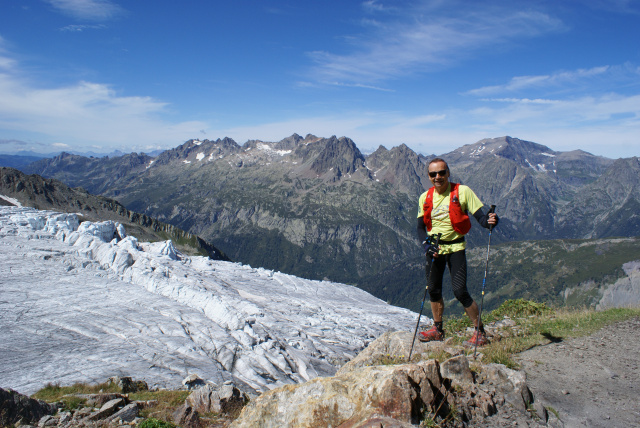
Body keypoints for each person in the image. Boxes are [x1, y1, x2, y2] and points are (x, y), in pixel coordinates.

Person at [416, 157, 498, 346]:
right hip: (435, 248)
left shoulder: (462, 192)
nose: (438, 177)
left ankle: (480, 332)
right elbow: (420, 228)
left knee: (460, 291)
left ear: (448, 173)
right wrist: (427, 246)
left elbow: (482, 218)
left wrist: (491, 221)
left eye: (441, 173)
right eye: (433, 174)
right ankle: (437, 329)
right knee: (434, 290)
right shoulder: (425, 197)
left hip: (456, 248)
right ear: (429, 177)